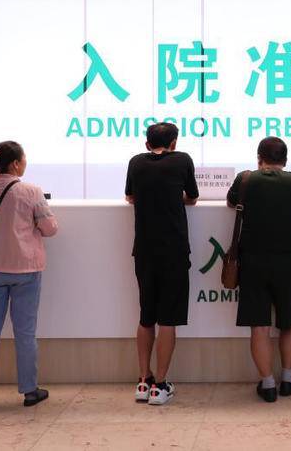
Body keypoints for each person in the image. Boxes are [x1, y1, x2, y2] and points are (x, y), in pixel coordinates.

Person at [226, 137, 291, 402]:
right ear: (285, 159)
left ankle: (268, 384)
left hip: (252, 263)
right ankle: (288, 378)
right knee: (289, 322)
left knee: (260, 326)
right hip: (287, 262)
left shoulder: (246, 179)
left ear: (259, 157)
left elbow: (231, 202)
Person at [0, 141, 58, 411]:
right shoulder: (31, 191)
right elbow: (50, 228)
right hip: (25, 270)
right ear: (16, 163)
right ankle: (29, 390)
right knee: (25, 332)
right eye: (24, 159)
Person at [125, 122, 199, 405]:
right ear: (174, 143)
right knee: (168, 319)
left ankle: (143, 380)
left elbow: (130, 196)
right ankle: (160, 385)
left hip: (144, 249)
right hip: (174, 250)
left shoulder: (136, 162)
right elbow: (192, 197)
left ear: (147, 144)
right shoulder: (182, 160)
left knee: (146, 316)